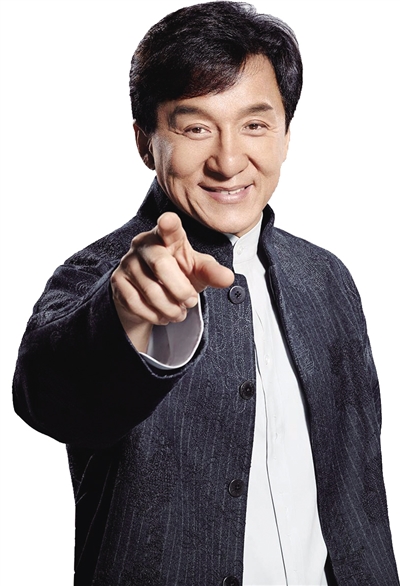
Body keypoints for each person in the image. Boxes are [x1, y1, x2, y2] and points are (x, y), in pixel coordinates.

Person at [12, 1, 399, 585]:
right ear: (146, 142)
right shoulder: (99, 273)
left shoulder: (328, 278)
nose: (228, 160)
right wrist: (126, 318)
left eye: (255, 125)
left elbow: (362, 492)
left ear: (285, 136)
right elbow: (48, 397)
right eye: (195, 128)